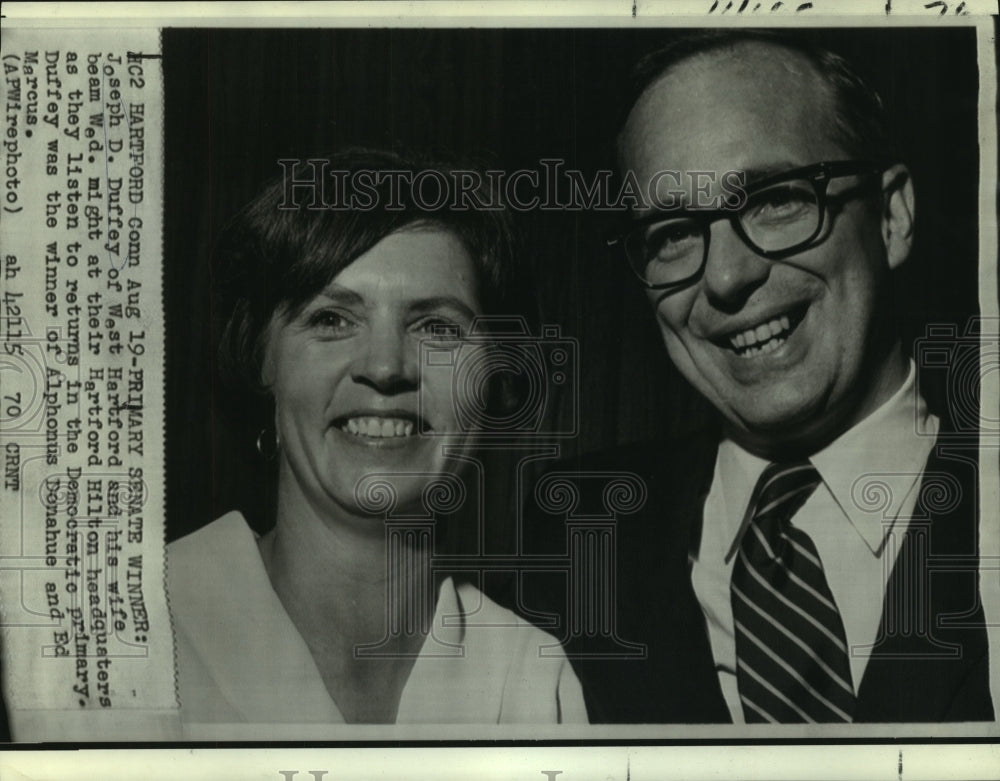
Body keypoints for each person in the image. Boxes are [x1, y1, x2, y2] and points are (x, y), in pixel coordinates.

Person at [521, 31, 993, 724]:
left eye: (774, 199)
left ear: (891, 216)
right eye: (674, 232)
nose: (726, 275)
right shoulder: (572, 539)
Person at [167, 149, 587, 737]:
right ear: (261, 358)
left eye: (437, 326)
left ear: (496, 376)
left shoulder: (530, 681)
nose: (386, 367)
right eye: (332, 320)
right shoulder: (127, 628)